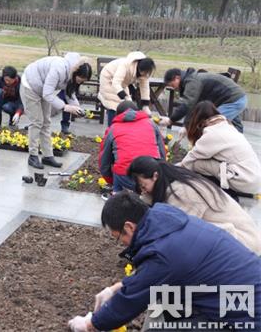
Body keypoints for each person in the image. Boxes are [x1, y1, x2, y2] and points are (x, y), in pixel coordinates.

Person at [68, 192, 261, 331]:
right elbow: (151, 277)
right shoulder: (167, 222)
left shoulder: (164, 254)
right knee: (170, 300)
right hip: (247, 293)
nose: (122, 244)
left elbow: (131, 301)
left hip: (249, 318)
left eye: (118, 237)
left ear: (129, 226)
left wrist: (89, 324)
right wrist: (117, 287)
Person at [128, 156, 261, 254]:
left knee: (183, 240)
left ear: (155, 176)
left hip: (243, 243)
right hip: (230, 236)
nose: (143, 190)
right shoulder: (173, 180)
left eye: (143, 186)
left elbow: (174, 232)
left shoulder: (183, 192)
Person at [21, 53, 91, 169]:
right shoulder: (59, 69)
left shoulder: (72, 74)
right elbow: (47, 94)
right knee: (37, 122)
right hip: (31, 84)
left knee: (46, 122)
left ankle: (47, 156)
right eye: (80, 80)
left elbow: (70, 93)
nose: (80, 83)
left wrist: (77, 108)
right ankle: (32, 156)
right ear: (75, 73)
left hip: (44, 89)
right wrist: (65, 107)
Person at [179, 101, 261, 197]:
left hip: (245, 181)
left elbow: (190, 159)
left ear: (198, 120)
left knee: (197, 163)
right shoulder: (227, 126)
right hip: (254, 180)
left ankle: (217, 188)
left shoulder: (212, 133)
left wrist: (173, 171)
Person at [98, 101, 166, 195]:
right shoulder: (151, 124)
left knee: (118, 168)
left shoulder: (113, 129)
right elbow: (162, 152)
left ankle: (117, 195)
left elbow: (104, 160)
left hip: (125, 177)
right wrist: (161, 174)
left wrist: (110, 180)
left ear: (117, 115)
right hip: (151, 177)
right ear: (137, 111)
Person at [161, 67, 246, 132]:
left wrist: (170, 120)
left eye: (172, 85)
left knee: (211, 127)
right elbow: (192, 107)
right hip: (231, 99)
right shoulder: (190, 80)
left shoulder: (192, 82)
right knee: (236, 128)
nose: (173, 88)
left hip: (233, 100)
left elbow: (187, 104)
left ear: (177, 78)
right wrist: (185, 126)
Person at [97, 52, 155, 126]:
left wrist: (145, 106)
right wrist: (125, 97)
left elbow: (145, 88)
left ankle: (122, 128)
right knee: (113, 104)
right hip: (108, 77)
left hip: (122, 83)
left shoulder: (145, 73)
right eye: (145, 72)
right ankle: (111, 128)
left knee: (127, 106)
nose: (145, 74)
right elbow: (116, 83)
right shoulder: (125, 64)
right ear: (140, 68)